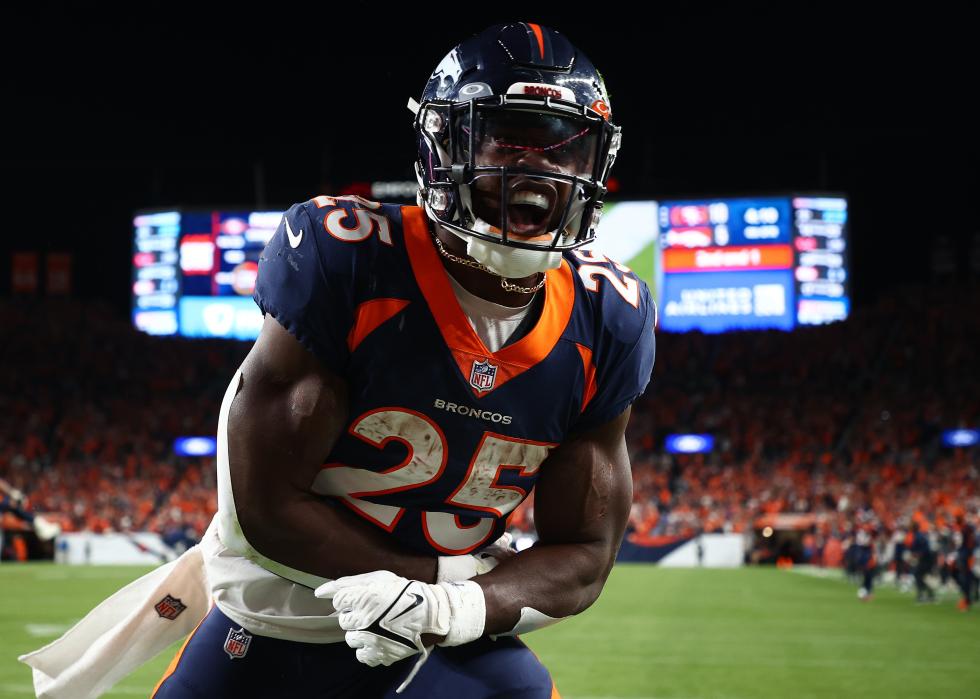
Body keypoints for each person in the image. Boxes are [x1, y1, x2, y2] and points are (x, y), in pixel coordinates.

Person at [149, 22, 655, 698]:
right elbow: (263, 505)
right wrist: (439, 587)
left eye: (565, 148)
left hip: (442, 634)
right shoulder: (348, 258)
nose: (537, 168)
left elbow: (587, 554)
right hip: (279, 618)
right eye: (506, 135)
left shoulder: (609, 316)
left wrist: (453, 610)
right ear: (442, 146)